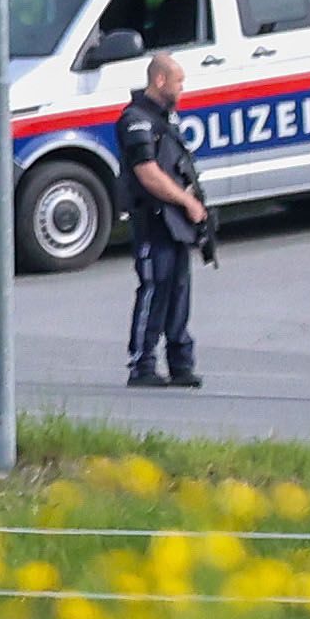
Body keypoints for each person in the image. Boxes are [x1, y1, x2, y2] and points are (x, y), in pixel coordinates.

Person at [116, 54, 208, 388]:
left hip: (175, 222)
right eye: (179, 81)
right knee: (155, 290)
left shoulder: (165, 119)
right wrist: (185, 201)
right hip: (153, 220)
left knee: (179, 292)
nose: (183, 88)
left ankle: (180, 363)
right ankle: (142, 365)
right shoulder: (136, 120)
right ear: (159, 80)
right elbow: (147, 173)